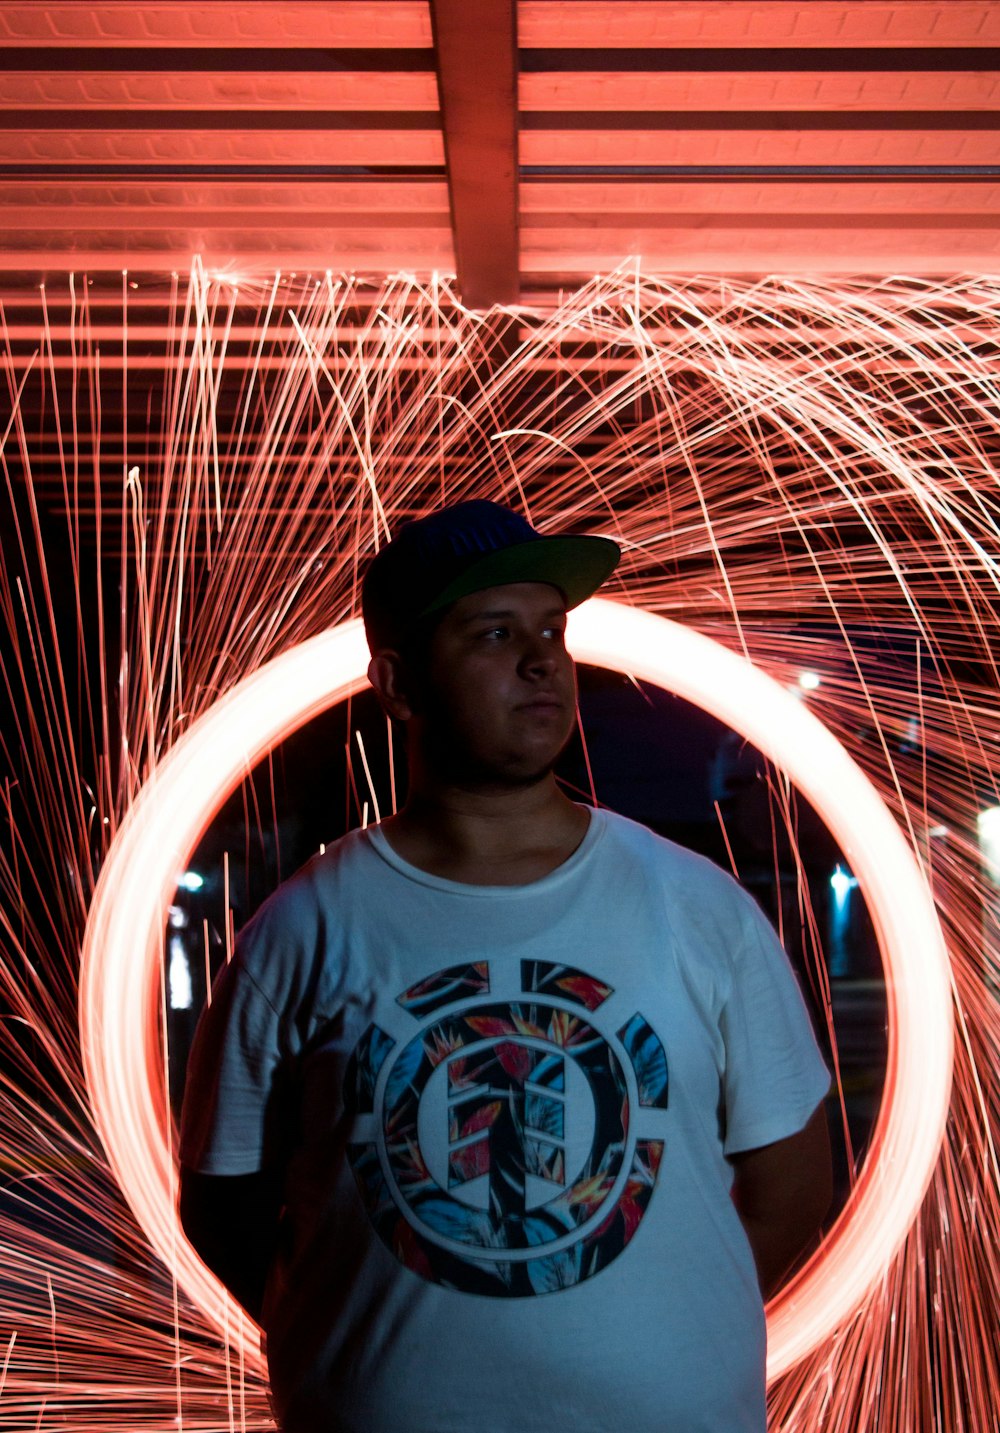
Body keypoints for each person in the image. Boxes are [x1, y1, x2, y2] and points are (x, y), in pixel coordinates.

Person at [179, 500, 832, 1433]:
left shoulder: (697, 907)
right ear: (399, 685)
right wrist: (352, 1340)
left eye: (552, 630)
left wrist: (671, 1320)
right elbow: (223, 1208)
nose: (542, 660)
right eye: (494, 632)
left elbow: (792, 1187)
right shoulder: (304, 930)